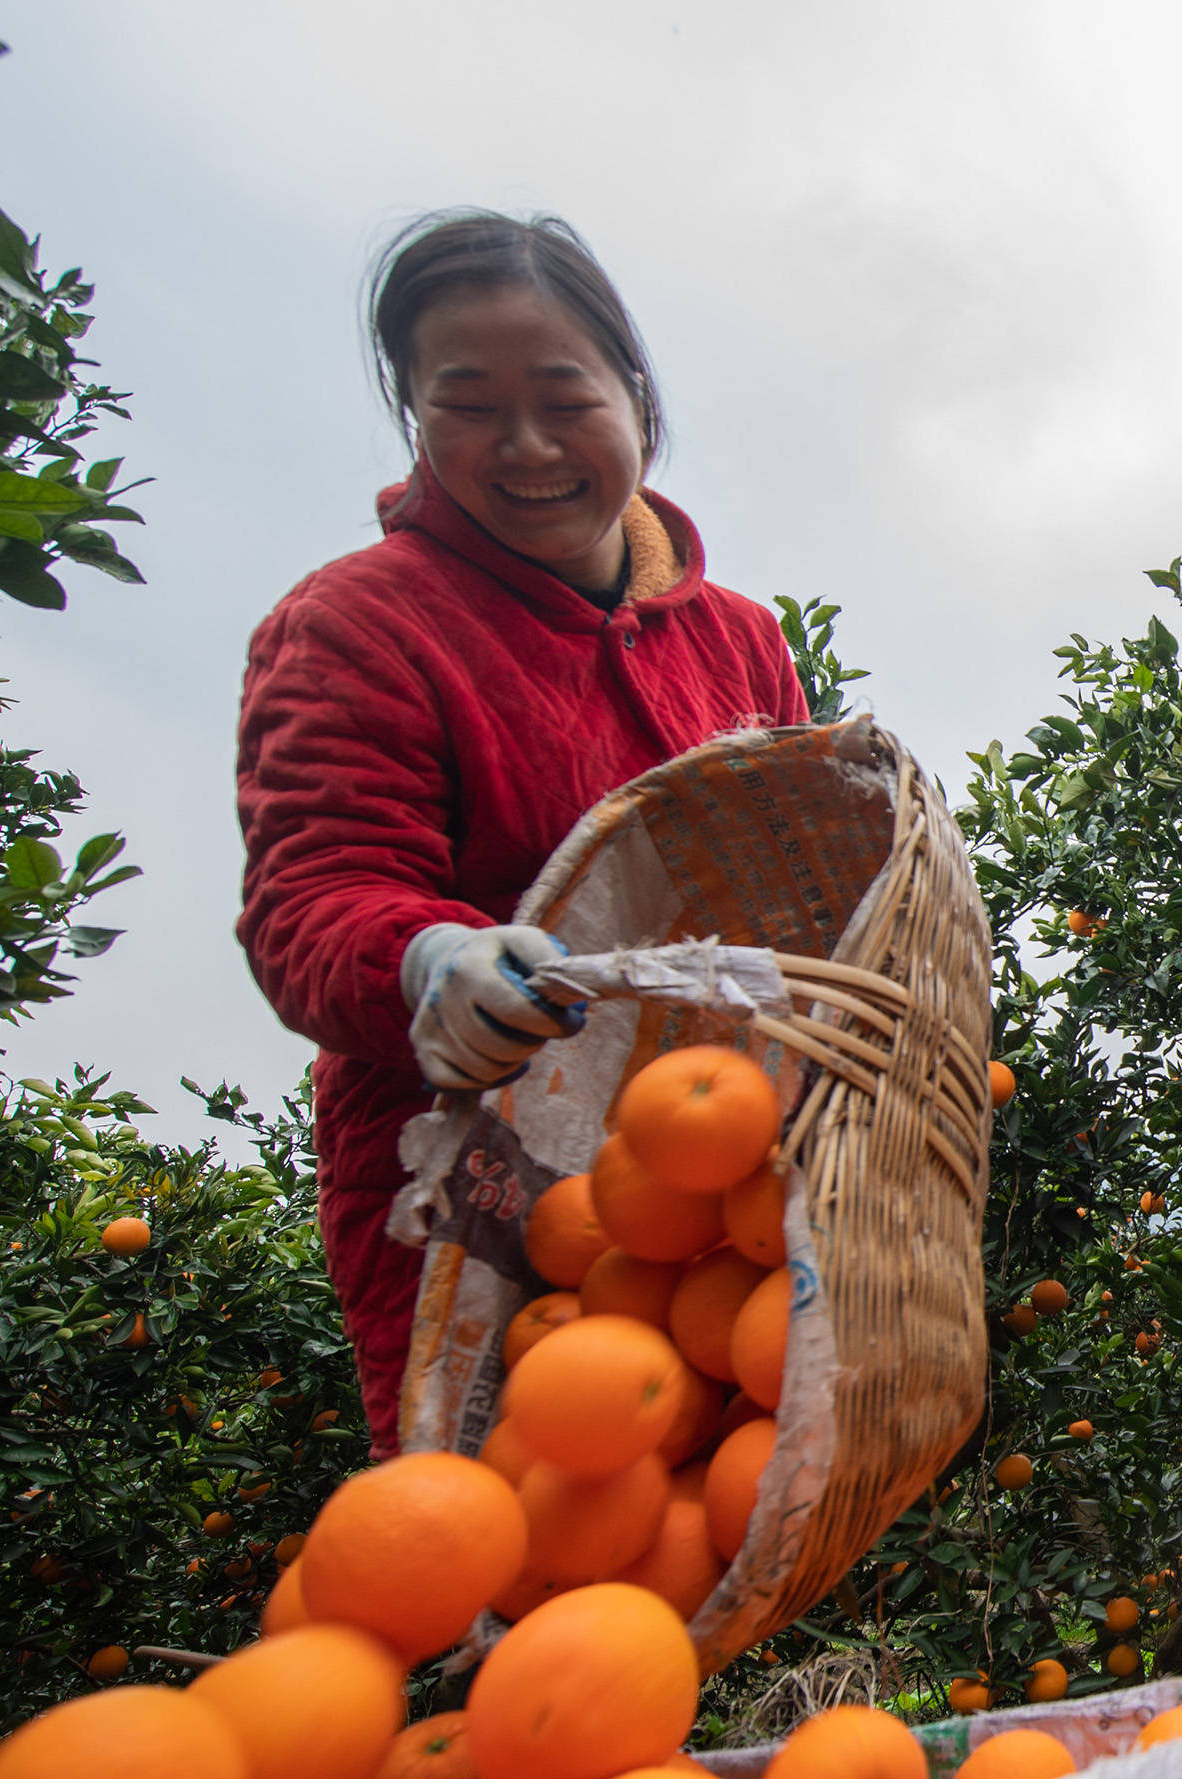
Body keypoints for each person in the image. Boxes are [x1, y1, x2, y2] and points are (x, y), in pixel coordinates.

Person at [237, 212, 807, 1457]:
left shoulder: (739, 638)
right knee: (506, 1532)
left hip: (719, 1176)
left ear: (635, 400)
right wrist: (424, 958)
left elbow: (812, 884)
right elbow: (311, 898)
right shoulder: (358, 626)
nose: (529, 444)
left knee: (720, 1518)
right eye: (471, 405)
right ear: (414, 418)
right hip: (479, 1192)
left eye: (564, 395)